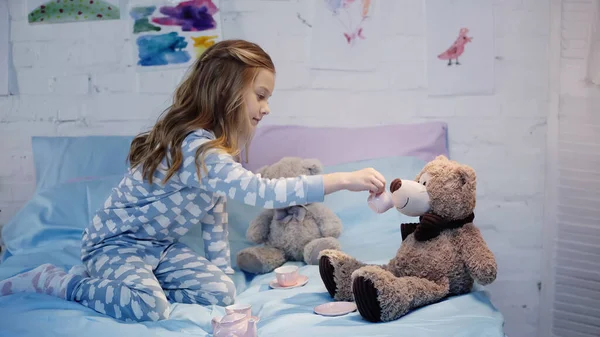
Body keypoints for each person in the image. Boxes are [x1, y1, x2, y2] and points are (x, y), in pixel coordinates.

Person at [0, 39, 386, 322]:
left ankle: (137, 281)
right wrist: (340, 179)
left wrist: (221, 276)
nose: (267, 108)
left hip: (159, 248)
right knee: (149, 307)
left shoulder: (217, 153)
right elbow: (260, 191)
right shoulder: (197, 148)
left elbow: (214, 219)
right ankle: (61, 282)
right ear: (228, 92)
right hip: (115, 244)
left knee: (221, 290)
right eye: (261, 95)